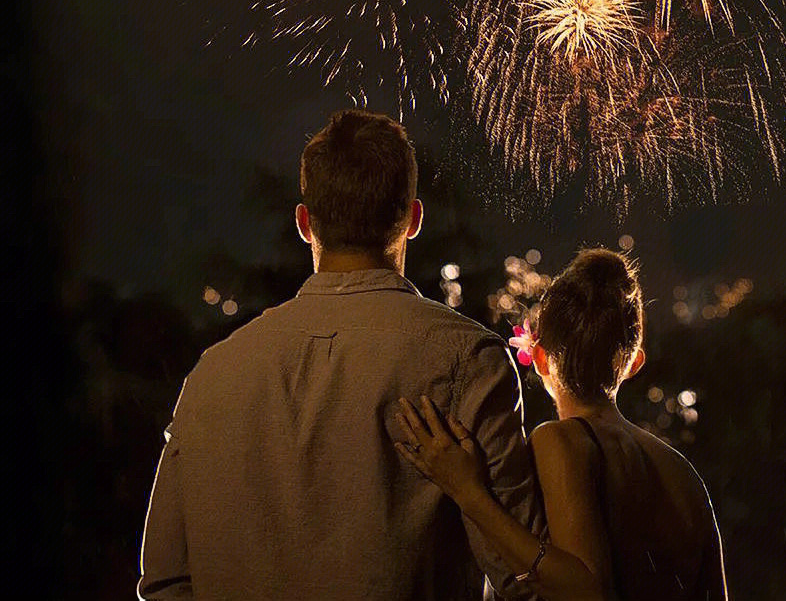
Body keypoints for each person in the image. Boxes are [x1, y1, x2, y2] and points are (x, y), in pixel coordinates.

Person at [138, 109, 543, 600]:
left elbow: (165, 580)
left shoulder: (212, 374)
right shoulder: (469, 360)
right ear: (413, 218)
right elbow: (524, 575)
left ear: (305, 223)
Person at [396, 248, 728, 601]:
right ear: (633, 363)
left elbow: (586, 590)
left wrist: (468, 492)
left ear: (539, 358)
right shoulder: (681, 471)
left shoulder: (563, 441)